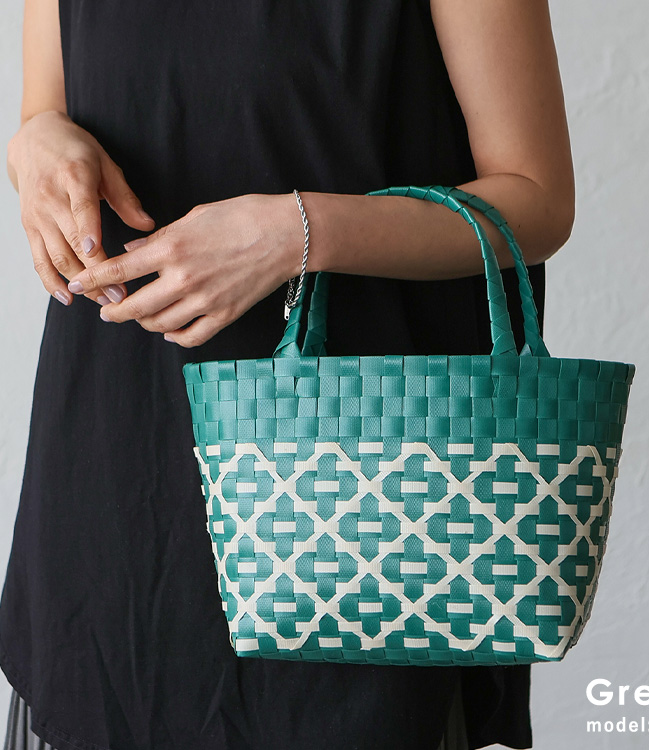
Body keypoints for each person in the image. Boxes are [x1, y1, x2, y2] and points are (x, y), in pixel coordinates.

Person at [0, 1, 575, 748]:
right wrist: (36, 144)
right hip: (114, 469)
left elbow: (536, 198)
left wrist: (294, 233)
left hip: (359, 491)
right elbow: (44, 112)